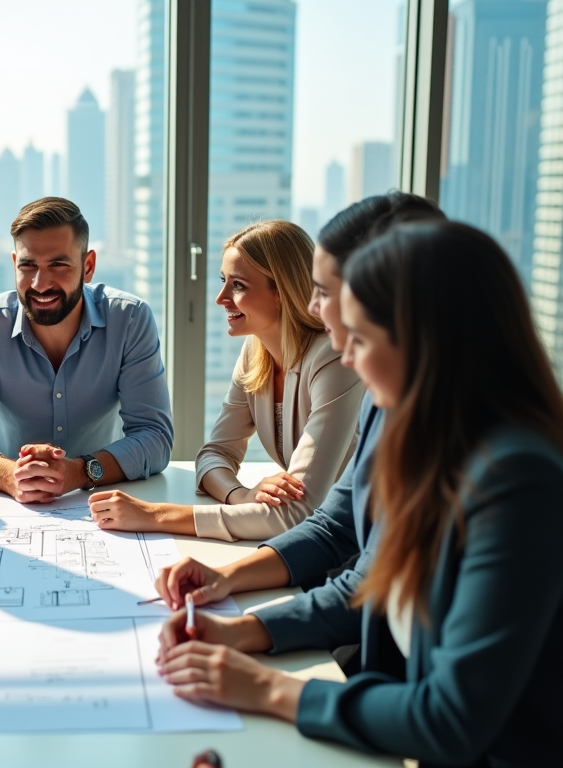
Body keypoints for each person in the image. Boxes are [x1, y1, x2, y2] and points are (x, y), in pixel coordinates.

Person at [157, 221, 563, 766]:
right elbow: (362, 577)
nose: (344, 355)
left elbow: (451, 719)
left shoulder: (518, 481)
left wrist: (265, 689)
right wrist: (240, 631)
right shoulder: (403, 416)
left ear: (429, 340)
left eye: (362, 337)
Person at [148, 194, 445, 671]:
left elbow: (450, 710)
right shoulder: (386, 406)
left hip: (392, 660)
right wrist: (226, 582)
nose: (315, 310)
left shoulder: (498, 460)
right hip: (363, 625)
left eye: (325, 294)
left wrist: (268, 689)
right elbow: (333, 528)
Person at [90, 220, 362, 540]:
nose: (221, 297)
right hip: (324, 533)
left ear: (282, 290)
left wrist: (156, 514)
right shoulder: (255, 352)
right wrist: (240, 495)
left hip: (369, 536)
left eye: (238, 285)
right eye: (224, 281)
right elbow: (212, 457)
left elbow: (296, 513)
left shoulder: (333, 358)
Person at [0, 197, 173, 502]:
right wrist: (11, 475)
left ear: (88, 267)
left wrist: (80, 472)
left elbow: (155, 437)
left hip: (101, 498)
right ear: (14, 265)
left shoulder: (129, 319)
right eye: (28, 265)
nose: (40, 283)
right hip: (8, 503)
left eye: (58, 265)